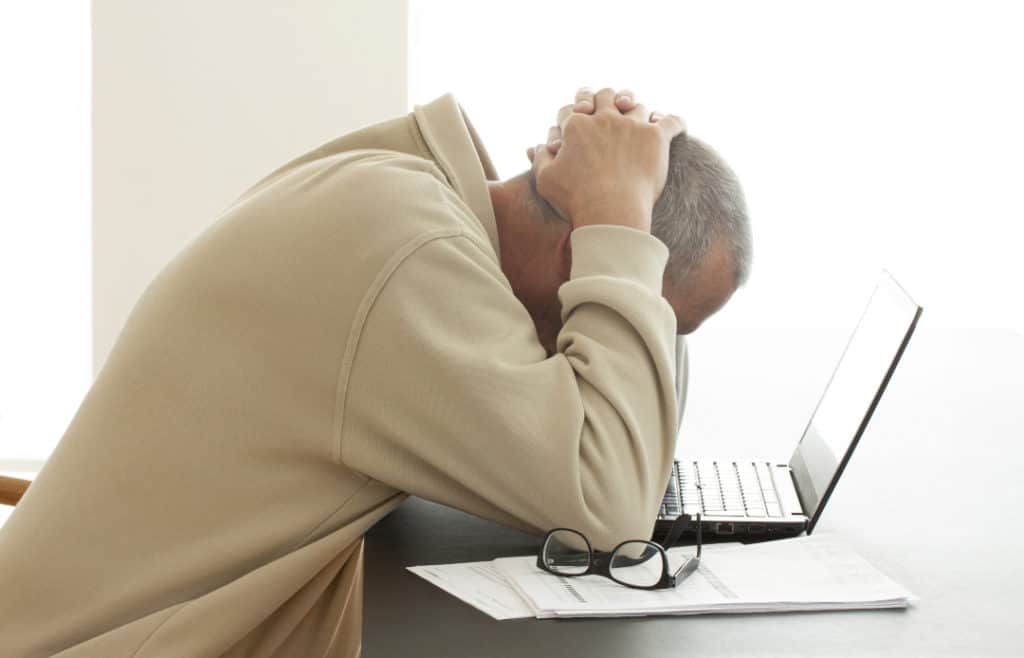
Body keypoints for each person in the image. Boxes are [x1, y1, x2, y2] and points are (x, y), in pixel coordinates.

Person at [0, 86, 750, 657]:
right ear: (580, 260)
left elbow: (629, 477)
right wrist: (619, 218)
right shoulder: (409, 259)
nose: (649, 342)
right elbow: (613, 510)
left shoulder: (410, 200)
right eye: (656, 321)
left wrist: (621, 207)